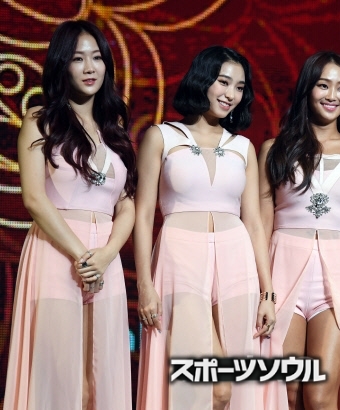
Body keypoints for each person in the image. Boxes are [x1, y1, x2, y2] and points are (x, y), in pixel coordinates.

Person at [4, 20, 136, 410]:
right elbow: (33, 198)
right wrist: (82, 256)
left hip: (105, 260)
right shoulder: (40, 121)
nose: (90, 67)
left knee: (100, 380)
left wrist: (106, 255)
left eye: (97, 57)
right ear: (62, 65)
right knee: (61, 379)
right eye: (78, 59)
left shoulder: (115, 128)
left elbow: (126, 203)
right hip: (57, 254)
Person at [134, 45, 275, 410]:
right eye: (223, 82)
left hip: (237, 262)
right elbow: (143, 213)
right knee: (215, 388)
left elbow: (254, 223)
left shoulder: (243, 147)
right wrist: (145, 284)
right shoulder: (161, 137)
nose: (231, 94)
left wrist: (268, 293)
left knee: (236, 385)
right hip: (180, 262)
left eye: (239, 87)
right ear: (203, 80)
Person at [259, 51, 340, 410]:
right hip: (282, 274)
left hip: (337, 277)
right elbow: (261, 225)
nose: (332, 95)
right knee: (287, 391)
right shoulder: (274, 149)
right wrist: (263, 290)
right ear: (307, 90)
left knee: (320, 394)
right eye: (323, 85)